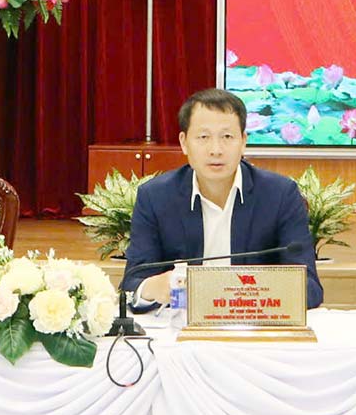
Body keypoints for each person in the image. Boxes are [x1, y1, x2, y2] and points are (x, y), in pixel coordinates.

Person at [122, 88, 324, 309]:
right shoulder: (155, 197)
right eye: (203, 137)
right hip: (180, 329)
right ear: (184, 143)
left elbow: (310, 288)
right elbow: (133, 283)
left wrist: (245, 296)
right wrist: (155, 287)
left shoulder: (280, 195)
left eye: (227, 137)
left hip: (254, 328)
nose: (216, 150)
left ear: (243, 141)